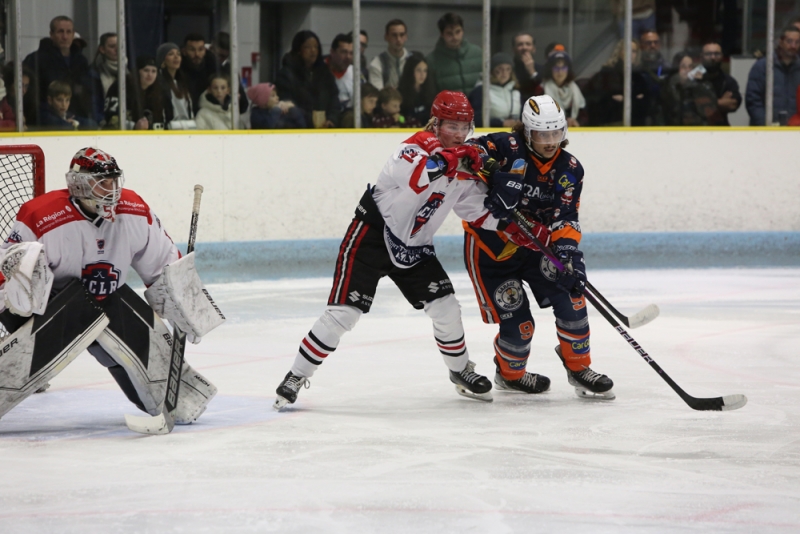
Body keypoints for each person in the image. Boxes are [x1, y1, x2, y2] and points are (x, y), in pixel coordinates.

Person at [273, 91, 508, 410]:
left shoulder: (466, 166)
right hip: (371, 234)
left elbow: (475, 211)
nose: (459, 133)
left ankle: (460, 371)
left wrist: (510, 219)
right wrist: (450, 161)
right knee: (344, 313)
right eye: (452, 125)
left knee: (446, 307)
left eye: (465, 126)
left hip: (416, 246)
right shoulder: (413, 148)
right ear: (436, 123)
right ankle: (295, 376)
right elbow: (418, 178)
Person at [0, 147, 223, 424]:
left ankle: (167, 397)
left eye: (114, 181)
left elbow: (165, 267)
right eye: (102, 182)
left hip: (106, 303)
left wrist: (184, 302)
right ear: (79, 184)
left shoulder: (134, 211)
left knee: (179, 406)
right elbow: (7, 273)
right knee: (66, 301)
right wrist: (19, 301)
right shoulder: (42, 215)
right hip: (48, 310)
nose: (112, 190)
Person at [463, 94, 614, 399]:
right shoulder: (508, 146)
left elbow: (566, 217)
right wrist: (492, 169)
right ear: (527, 132)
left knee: (572, 298)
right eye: (542, 134)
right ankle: (511, 376)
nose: (549, 141)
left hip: (535, 249)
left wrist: (569, 254)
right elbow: (470, 149)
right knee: (520, 326)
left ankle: (579, 368)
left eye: (556, 133)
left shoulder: (570, 168)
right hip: (491, 253)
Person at [23, 15, 93, 126]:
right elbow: (29, 94)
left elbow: (87, 92)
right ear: (51, 34)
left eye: (69, 32)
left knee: (91, 125)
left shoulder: (81, 61)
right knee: (66, 127)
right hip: (45, 114)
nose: (65, 36)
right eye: (60, 32)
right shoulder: (36, 59)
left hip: (73, 113)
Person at [276, 30, 340, 128]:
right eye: (308, 47)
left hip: (325, 127)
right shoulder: (286, 74)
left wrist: (332, 119)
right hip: (298, 128)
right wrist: (309, 120)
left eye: (316, 47)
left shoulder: (325, 72)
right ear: (298, 50)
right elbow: (287, 103)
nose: (313, 50)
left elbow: (334, 98)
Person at [584, 40, 649, 126]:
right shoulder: (605, 75)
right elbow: (595, 100)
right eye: (627, 49)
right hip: (609, 125)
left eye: (634, 51)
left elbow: (646, 104)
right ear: (619, 51)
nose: (630, 54)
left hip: (635, 126)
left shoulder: (639, 77)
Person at [746, 25, 800, 126]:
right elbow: (753, 100)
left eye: (797, 42)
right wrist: (764, 125)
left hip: (795, 130)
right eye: (789, 41)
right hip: (766, 130)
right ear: (780, 42)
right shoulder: (763, 66)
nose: (793, 46)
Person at [425, 12, 483, 94]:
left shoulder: (478, 54)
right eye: (449, 33)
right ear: (442, 34)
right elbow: (430, 93)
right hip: (449, 105)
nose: (455, 37)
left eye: (458, 32)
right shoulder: (431, 61)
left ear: (463, 31)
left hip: (477, 105)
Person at [661, 50, 718, 126]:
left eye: (690, 66)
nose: (687, 70)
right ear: (677, 68)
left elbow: (710, 111)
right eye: (683, 67)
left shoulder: (702, 84)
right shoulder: (668, 86)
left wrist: (699, 85)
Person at [468, 53, 521, 127]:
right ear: (492, 71)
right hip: (489, 134)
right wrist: (501, 123)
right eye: (500, 69)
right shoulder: (481, 91)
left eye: (508, 69)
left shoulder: (515, 92)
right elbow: (475, 118)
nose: (504, 73)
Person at [697, 41, 741, 126]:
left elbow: (733, 104)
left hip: (720, 129)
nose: (713, 57)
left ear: (722, 57)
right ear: (701, 57)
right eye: (708, 54)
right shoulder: (692, 77)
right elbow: (690, 105)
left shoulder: (728, 80)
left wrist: (705, 103)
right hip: (695, 129)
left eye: (717, 54)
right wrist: (721, 102)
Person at [157, 42, 196, 129]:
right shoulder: (159, 82)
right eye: (171, 54)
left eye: (178, 54)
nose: (176, 57)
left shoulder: (183, 81)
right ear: (162, 60)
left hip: (186, 129)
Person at [542, 51, 586, 127]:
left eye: (564, 68)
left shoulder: (574, 88)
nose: (560, 72)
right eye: (556, 68)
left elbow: (583, 114)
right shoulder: (542, 89)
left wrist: (578, 122)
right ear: (550, 70)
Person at [180, 33, 220, 113]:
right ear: (184, 51)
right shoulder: (178, 67)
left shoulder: (212, 65)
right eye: (192, 50)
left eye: (200, 49)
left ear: (205, 50)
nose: (197, 54)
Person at [369, 19, 413, 90]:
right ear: (386, 37)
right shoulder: (377, 64)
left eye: (401, 35)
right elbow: (377, 95)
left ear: (406, 37)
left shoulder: (414, 61)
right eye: (394, 35)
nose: (398, 39)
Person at [638, 29, 670, 125]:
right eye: (648, 43)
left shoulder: (667, 67)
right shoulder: (635, 67)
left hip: (663, 113)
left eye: (656, 42)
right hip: (640, 114)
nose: (652, 46)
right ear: (641, 46)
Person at [88, 32, 120, 124]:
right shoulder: (93, 74)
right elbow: (92, 106)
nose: (117, 49)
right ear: (102, 49)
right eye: (112, 46)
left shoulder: (129, 72)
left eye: (120, 45)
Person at [398, 53, 436, 126]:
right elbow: (400, 117)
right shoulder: (400, 93)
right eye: (418, 70)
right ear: (410, 71)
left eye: (425, 70)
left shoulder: (430, 92)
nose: (422, 74)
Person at [326, 33, 355, 113]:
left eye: (351, 53)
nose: (348, 57)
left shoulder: (355, 72)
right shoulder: (319, 70)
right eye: (343, 52)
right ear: (332, 52)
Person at [512, 32, 544, 103]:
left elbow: (545, 92)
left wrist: (532, 72)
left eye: (528, 44)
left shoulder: (543, 70)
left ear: (534, 49)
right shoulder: (509, 71)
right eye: (520, 44)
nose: (524, 47)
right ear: (514, 49)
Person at [0, 63, 32, 131]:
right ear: (10, 83)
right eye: (20, 85)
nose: (23, 90)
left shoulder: (20, 104)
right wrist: (17, 125)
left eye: (26, 86)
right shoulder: (2, 102)